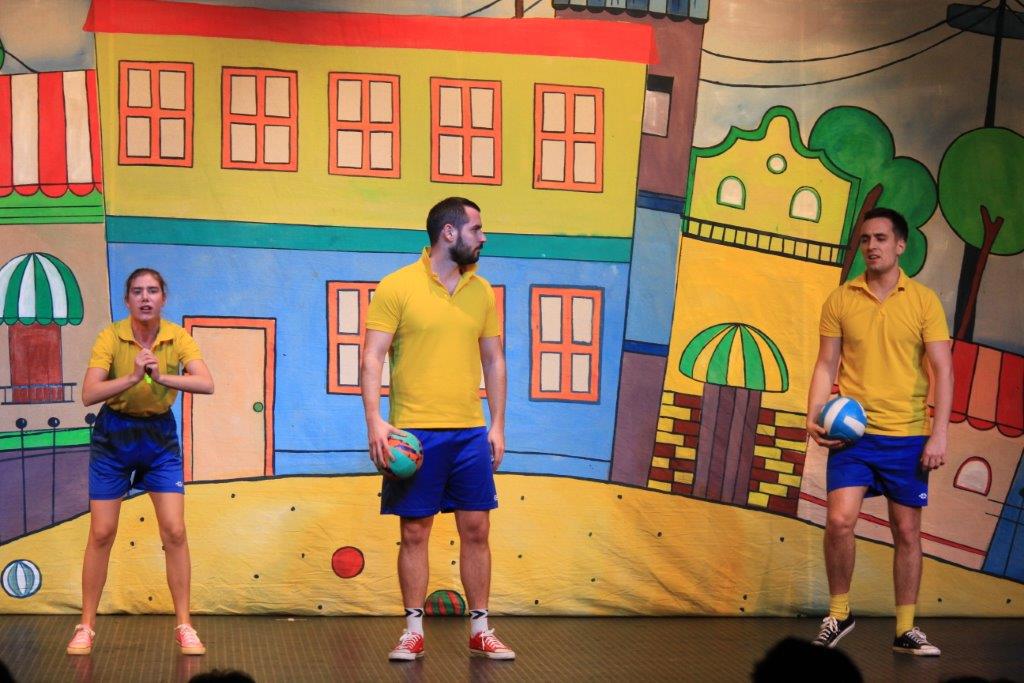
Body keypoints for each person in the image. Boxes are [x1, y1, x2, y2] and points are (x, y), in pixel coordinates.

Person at [361, 197, 514, 661]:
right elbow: (372, 356)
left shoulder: (481, 291)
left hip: (468, 432)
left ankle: (480, 629)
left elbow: (494, 359)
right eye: (476, 229)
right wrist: (374, 421)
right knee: (414, 532)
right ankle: (412, 631)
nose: (483, 237)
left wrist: (497, 424)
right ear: (449, 232)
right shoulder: (397, 286)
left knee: (477, 529)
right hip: (414, 434)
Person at [806, 207, 953, 656]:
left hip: (907, 435)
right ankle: (840, 613)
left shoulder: (924, 301)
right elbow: (826, 364)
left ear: (900, 245)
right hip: (854, 436)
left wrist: (939, 434)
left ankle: (905, 629)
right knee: (839, 520)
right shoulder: (840, 299)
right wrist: (813, 416)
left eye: (882, 238)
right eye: (866, 239)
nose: (872, 246)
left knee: (906, 531)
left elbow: (943, 370)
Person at [66, 268, 214, 657]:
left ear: (163, 298)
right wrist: (133, 376)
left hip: (158, 438)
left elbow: (206, 383)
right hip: (114, 436)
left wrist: (162, 377)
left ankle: (184, 625)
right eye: (137, 291)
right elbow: (89, 393)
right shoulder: (111, 337)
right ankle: (86, 626)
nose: (145, 297)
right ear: (127, 300)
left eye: (152, 291)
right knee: (102, 532)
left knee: (174, 531)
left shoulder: (177, 338)